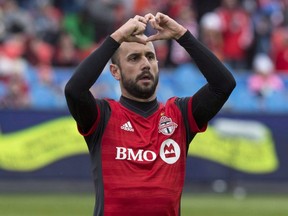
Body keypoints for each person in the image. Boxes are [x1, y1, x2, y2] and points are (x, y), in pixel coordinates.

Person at [65, 12, 236, 216]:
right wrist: (117, 37)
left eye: (150, 57)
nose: (145, 64)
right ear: (115, 71)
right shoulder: (102, 116)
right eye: (134, 58)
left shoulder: (179, 115)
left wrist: (181, 35)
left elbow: (223, 85)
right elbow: (74, 90)